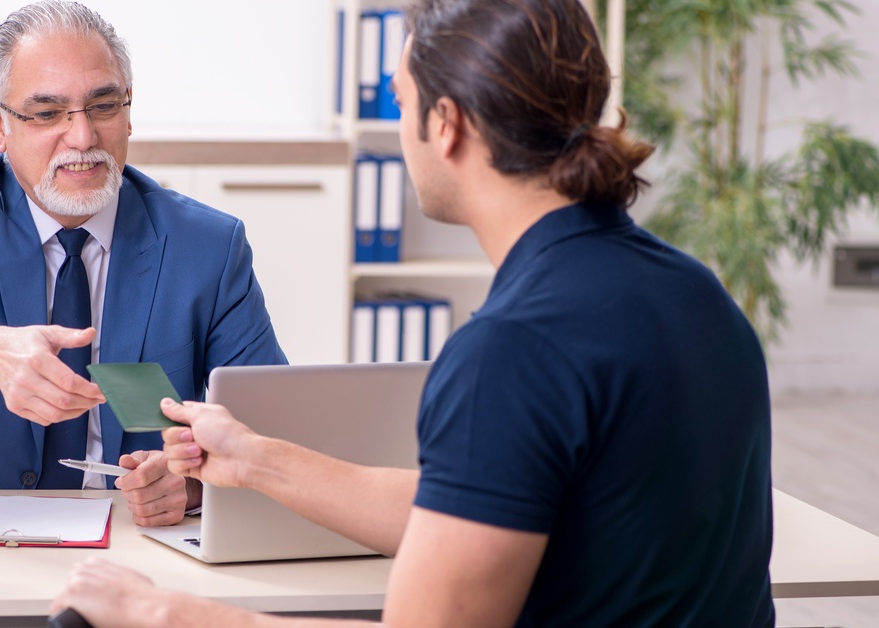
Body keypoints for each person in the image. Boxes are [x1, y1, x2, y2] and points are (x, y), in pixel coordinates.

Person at [48, 0, 776, 625]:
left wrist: (163, 612)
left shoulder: (516, 351)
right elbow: (477, 509)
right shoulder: (696, 294)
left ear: (448, 124)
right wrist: (256, 459)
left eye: (400, 103)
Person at [0, 0, 287, 526]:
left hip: (137, 542)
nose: (84, 138)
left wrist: (197, 484)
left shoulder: (207, 244)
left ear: (129, 111)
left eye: (104, 106)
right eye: (47, 114)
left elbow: (270, 432)